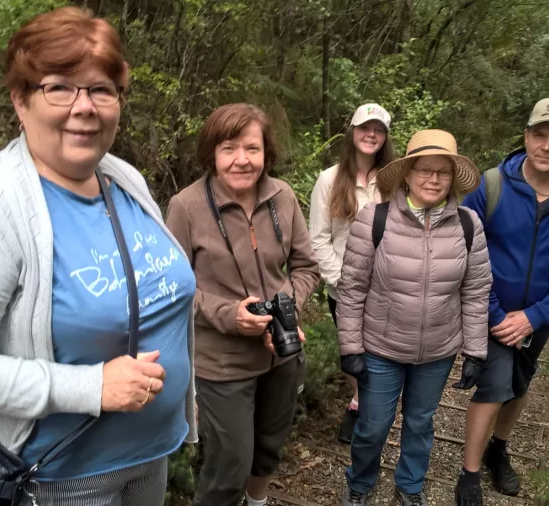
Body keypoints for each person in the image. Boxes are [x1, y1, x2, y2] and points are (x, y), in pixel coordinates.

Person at [0, 7, 197, 505]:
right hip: (57, 480)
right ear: (21, 101)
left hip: (152, 459)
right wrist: (90, 387)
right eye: (60, 87)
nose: (84, 106)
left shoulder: (121, 179)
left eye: (101, 89)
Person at [165, 103, 320, 506]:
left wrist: (286, 309)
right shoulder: (186, 207)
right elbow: (171, 288)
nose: (241, 160)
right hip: (221, 362)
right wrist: (229, 315)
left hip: (280, 353)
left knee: (269, 446)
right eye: (229, 148)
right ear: (211, 153)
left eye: (251, 148)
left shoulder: (282, 196)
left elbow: (305, 266)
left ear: (266, 152)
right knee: (228, 464)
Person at [453, 98, 549, 506]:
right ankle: (469, 475)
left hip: (539, 318)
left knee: (521, 381)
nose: (547, 146)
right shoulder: (491, 185)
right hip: (491, 311)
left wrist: (535, 316)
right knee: (495, 383)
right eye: (540, 135)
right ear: (526, 136)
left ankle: (497, 449)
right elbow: (462, 248)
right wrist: (496, 314)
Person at [337, 130, 493, 506]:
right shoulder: (374, 219)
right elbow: (352, 288)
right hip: (381, 348)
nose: (433, 179)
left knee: (420, 424)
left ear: (452, 179)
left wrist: (475, 351)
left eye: (442, 172)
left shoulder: (468, 226)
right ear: (406, 173)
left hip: (437, 351)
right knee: (373, 426)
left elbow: (475, 292)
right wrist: (350, 348)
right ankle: (359, 484)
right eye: (424, 170)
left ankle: (409, 487)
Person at [308, 103, 395, 444]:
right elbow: (318, 239)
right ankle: (358, 402)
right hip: (344, 288)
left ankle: (377, 409)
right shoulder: (329, 180)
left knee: (382, 350)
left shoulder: (394, 180)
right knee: (353, 352)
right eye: (364, 127)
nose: (371, 134)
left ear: (385, 137)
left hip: (389, 286)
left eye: (378, 129)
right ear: (353, 132)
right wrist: (343, 282)